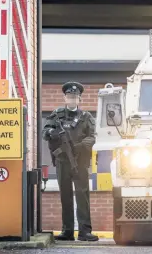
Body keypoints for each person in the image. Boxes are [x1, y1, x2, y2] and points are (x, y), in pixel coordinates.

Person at [42, 81, 99, 242]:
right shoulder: (56, 115)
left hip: (80, 161)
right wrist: (52, 132)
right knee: (65, 196)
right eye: (69, 96)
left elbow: (92, 137)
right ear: (65, 98)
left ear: (79, 99)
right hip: (62, 161)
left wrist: (80, 146)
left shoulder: (86, 117)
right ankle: (67, 231)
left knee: (82, 196)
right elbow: (44, 132)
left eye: (74, 97)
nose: (72, 99)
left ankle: (84, 232)